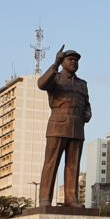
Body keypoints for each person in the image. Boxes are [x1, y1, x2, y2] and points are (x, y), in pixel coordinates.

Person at [37, 45, 91, 207]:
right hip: (58, 124)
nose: (74, 62)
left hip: (77, 126)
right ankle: (45, 198)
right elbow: (41, 84)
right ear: (63, 61)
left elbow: (87, 104)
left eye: (76, 60)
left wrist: (87, 114)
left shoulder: (82, 84)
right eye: (70, 59)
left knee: (73, 164)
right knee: (51, 162)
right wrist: (54, 64)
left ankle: (71, 198)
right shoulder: (55, 77)